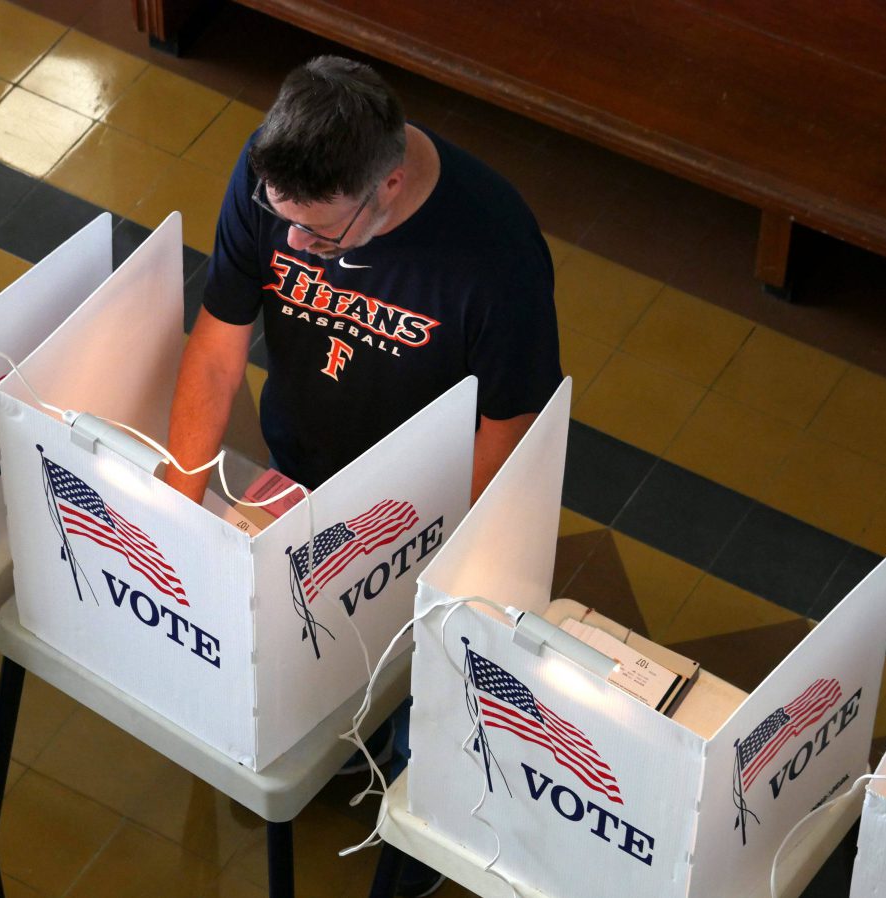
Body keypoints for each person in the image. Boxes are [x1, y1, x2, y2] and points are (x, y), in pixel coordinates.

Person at [165, 55, 562, 897]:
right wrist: (176, 511)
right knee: (304, 684)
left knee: (424, 738)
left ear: (387, 184)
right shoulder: (273, 175)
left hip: (429, 515)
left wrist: (435, 587)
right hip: (303, 473)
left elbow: (510, 437)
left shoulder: (496, 250)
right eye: (285, 225)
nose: (297, 245)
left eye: (321, 235)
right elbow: (217, 346)